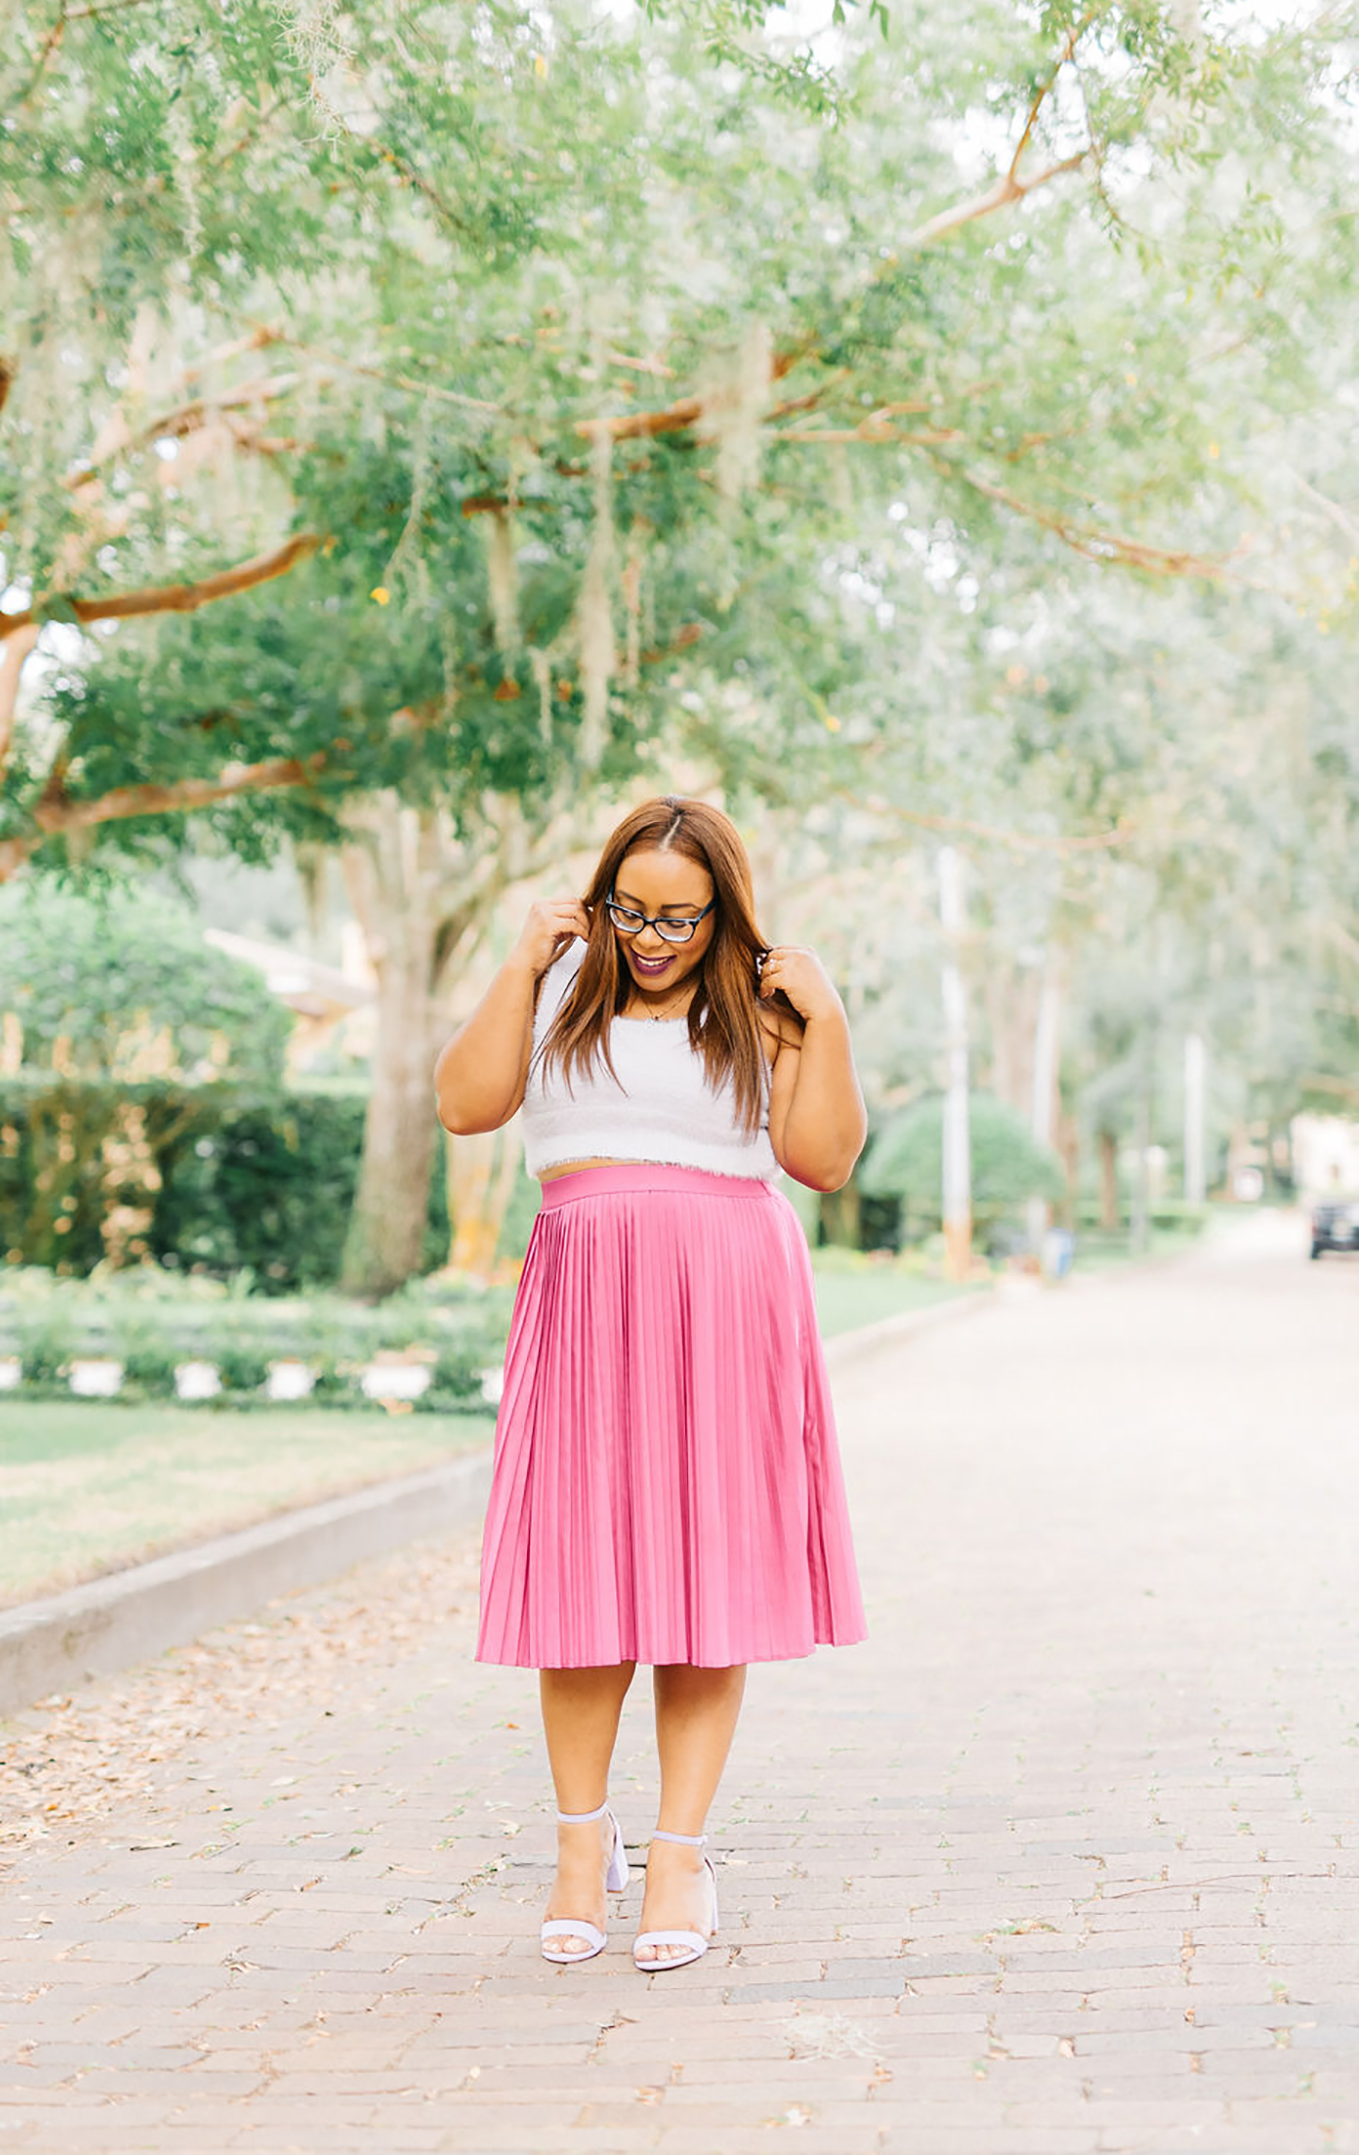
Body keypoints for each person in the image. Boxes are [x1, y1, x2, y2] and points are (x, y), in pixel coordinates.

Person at [434, 797, 867, 1972]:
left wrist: (825, 1021)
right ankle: (585, 1850)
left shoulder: (764, 1014)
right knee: (581, 1586)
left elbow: (821, 1160)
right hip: (585, 1301)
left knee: (702, 1584)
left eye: (681, 913)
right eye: (631, 908)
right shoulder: (562, 993)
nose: (654, 934)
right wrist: (525, 961)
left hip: (725, 1301)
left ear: (724, 907)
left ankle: (679, 1856)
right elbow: (465, 1104)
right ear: (600, 897)